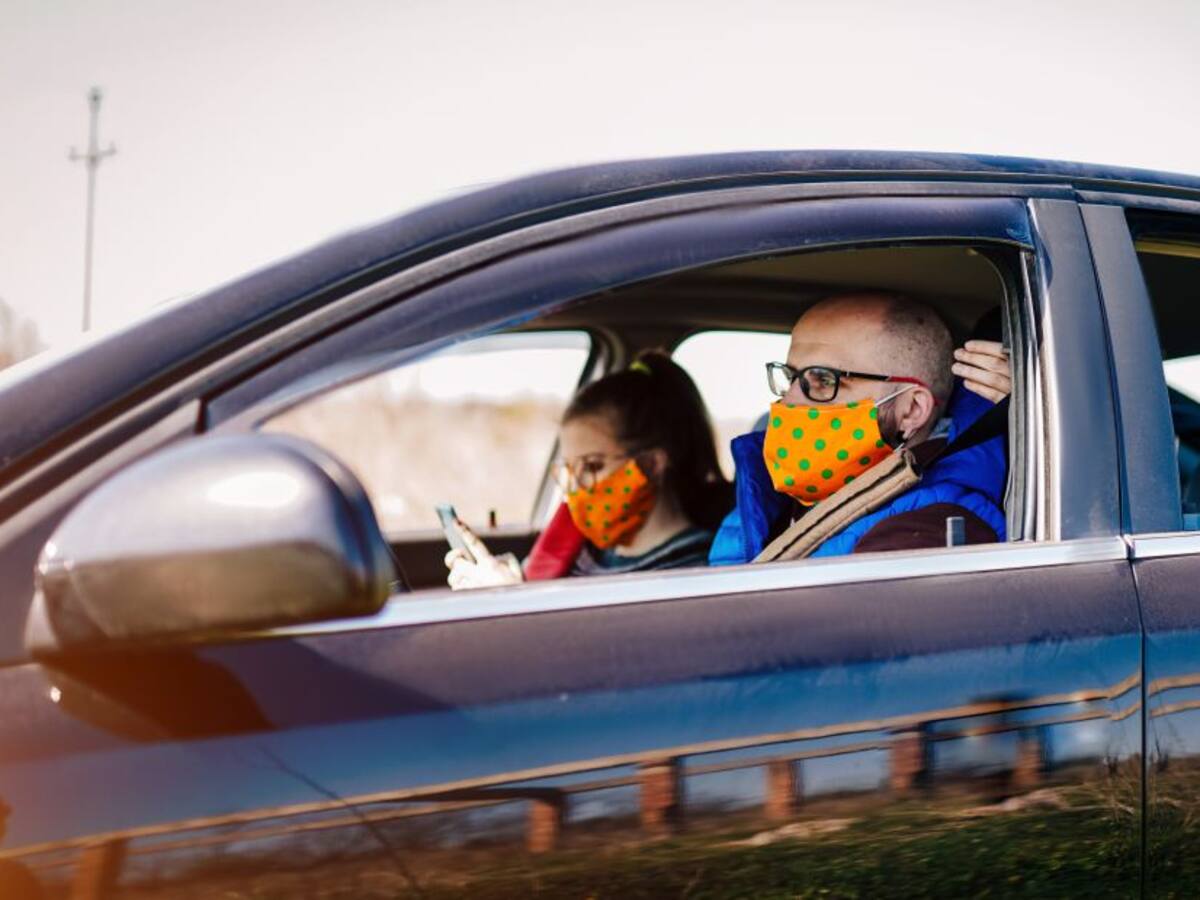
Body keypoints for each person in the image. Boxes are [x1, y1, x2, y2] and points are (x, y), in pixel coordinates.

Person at [709, 292, 1011, 564]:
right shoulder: (782, 499)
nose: (787, 401)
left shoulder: (927, 530)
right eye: (791, 377)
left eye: (825, 380)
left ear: (912, 411)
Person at [446, 350, 732, 588]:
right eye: (570, 469)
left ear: (651, 464)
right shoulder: (582, 551)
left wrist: (510, 600)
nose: (577, 487)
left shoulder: (695, 568)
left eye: (593, 465)